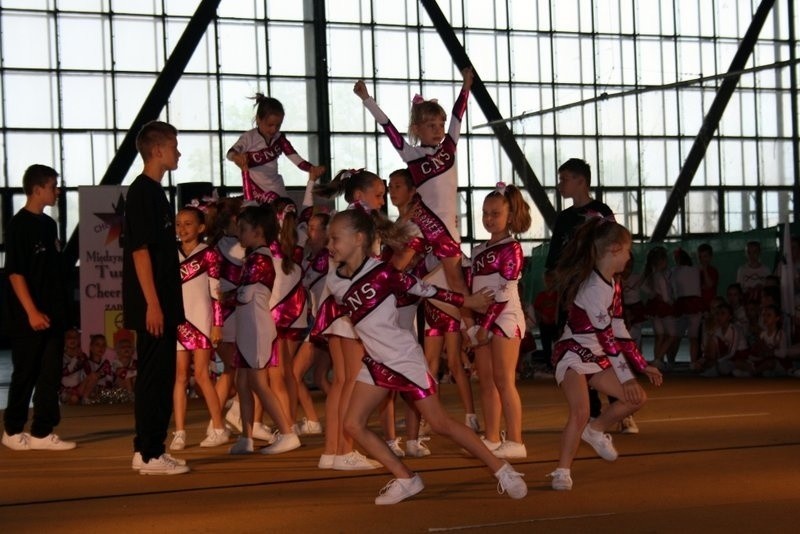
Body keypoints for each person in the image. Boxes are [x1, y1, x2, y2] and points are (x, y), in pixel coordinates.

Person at [314, 207, 527, 505]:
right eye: (329, 239)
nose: (330, 245)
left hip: (403, 358)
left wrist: (468, 300)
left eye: (335, 238)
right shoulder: (335, 278)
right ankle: (406, 479)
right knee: (352, 423)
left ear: (359, 239)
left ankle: (504, 470)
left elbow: (425, 288)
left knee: (440, 423)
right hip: (376, 361)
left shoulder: (383, 272)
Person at [353, 69, 476, 351]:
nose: (439, 128)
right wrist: (367, 99)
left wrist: (465, 87)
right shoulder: (412, 155)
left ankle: (472, 329)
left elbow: (459, 115)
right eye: (431, 124)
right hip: (423, 224)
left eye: (440, 123)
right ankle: (381, 314)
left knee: (456, 279)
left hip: (445, 227)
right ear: (418, 129)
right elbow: (388, 127)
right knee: (396, 267)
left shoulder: (450, 147)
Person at [548, 218, 663, 490]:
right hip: (574, 353)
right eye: (627, 250)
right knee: (580, 410)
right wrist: (627, 377)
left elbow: (619, 325)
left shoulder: (615, 282)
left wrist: (641, 365)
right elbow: (607, 338)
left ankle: (596, 430)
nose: (628, 256)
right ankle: (562, 471)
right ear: (613, 249)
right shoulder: (592, 289)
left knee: (636, 399)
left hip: (598, 355)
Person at [122, 120, 188, 474]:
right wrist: (153, 303)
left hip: (162, 300)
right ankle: (149, 453)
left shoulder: (158, 194)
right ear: (159, 149)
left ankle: (147, 449)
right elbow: (140, 252)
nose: (179, 152)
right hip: (153, 303)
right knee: (154, 377)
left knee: (160, 376)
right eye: (175, 145)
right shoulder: (142, 193)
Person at [313, 168, 387, 470]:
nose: (382, 202)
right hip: (351, 307)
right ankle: (344, 451)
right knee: (350, 381)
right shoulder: (361, 225)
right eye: (378, 195)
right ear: (360, 196)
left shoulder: (344, 220)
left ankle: (332, 451)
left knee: (341, 381)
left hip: (336, 304)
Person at [2, 164, 76, 451]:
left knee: (49, 374)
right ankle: (12, 429)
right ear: (37, 189)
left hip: (54, 311)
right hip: (27, 315)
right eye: (53, 186)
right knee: (26, 372)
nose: (57, 191)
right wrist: (31, 311)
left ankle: (42, 432)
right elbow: (16, 272)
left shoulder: (49, 225)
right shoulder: (18, 225)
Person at [544, 158, 618, 425]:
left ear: (581, 181)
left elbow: (614, 244)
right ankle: (593, 410)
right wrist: (553, 279)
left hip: (596, 290)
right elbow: (554, 257)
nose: (560, 184)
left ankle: (619, 402)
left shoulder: (600, 211)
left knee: (605, 343)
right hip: (571, 294)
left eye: (564, 178)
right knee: (578, 347)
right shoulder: (563, 218)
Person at [227, 204, 301, 456]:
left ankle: (288, 433)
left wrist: (229, 293)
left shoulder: (260, 258)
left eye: (243, 229)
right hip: (248, 326)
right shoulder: (253, 256)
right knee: (243, 381)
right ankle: (246, 437)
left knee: (259, 382)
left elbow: (248, 292)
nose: (239, 234)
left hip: (257, 327)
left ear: (258, 231)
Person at [470, 183, 532, 459]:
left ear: (510, 215)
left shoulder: (513, 248)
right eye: (484, 213)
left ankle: (516, 440)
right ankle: (492, 436)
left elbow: (505, 291)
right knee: (486, 381)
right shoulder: (477, 249)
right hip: (482, 319)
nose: (488, 219)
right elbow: (472, 289)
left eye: (495, 213)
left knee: (504, 380)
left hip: (505, 318)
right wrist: (471, 324)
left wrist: (485, 326)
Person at [170, 206, 229, 451]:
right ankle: (180, 431)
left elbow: (217, 292)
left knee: (202, 375)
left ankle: (218, 427)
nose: (182, 229)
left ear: (201, 228)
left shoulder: (209, 254)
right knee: (180, 377)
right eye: (178, 224)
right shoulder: (170, 254)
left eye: (188, 224)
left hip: (201, 320)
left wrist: (217, 323)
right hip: (178, 320)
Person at [227, 93, 325, 202]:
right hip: (257, 191)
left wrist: (312, 169)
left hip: (278, 189)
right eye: (269, 125)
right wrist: (236, 157)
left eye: (278, 125)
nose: (274, 130)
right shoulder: (249, 138)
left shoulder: (279, 138)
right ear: (258, 119)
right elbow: (230, 153)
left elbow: (295, 158)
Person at [737, 241, 772, 305]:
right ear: (746, 254)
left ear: (759, 252)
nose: (752, 255)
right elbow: (739, 288)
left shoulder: (766, 270)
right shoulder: (742, 270)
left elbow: (770, 288)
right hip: (747, 302)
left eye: (755, 252)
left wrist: (761, 288)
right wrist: (747, 290)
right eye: (749, 252)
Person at [60, 328, 87, 406]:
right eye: (69, 337)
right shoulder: (61, 356)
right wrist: (75, 359)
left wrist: (82, 359)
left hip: (79, 388)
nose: (72, 339)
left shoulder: (82, 355)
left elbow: (87, 372)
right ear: (64, 340)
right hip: (65, 390)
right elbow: (63, 373)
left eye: (75, 337)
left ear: (78, 340)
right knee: (73, 398)